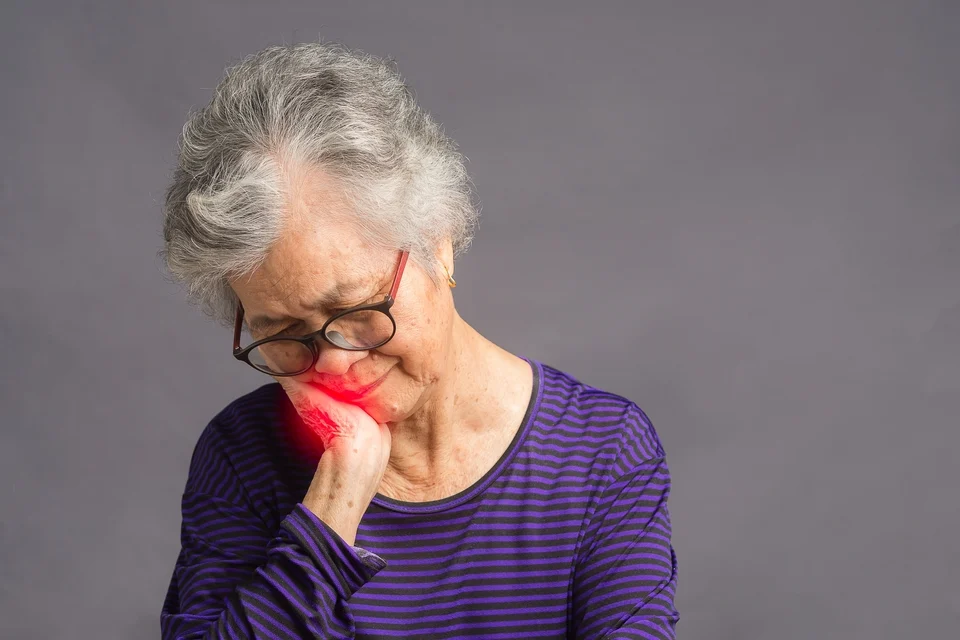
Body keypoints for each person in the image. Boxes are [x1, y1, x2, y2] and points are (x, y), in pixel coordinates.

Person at [159, 41, 679, 639]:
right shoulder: (242, 456)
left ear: (438, 243)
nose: (335, 363)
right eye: (280, 334)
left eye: (355, 308)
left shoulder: (601, 453)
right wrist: (334, 506)